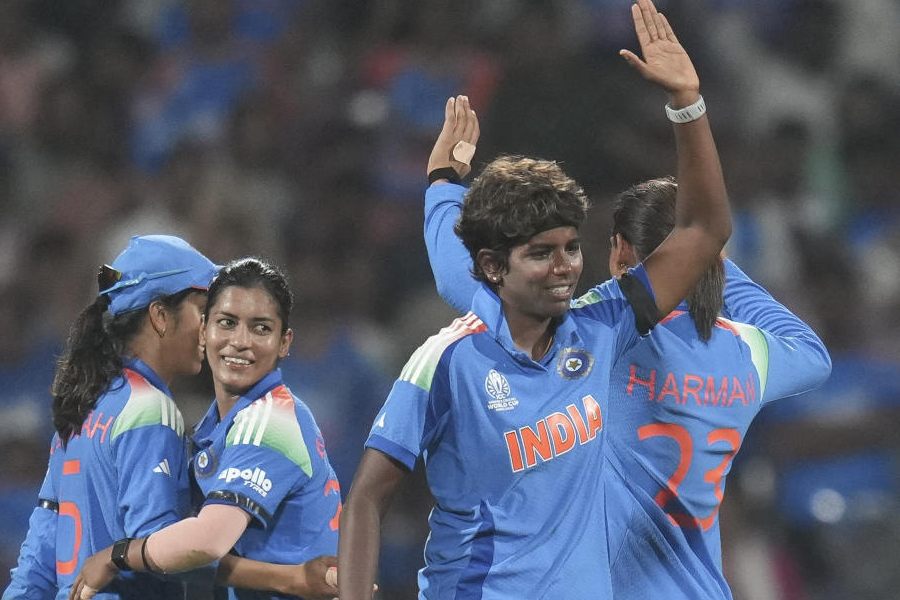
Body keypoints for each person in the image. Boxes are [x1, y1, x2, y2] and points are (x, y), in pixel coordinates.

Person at [337, 1, 732, 598]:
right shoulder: (449, 361)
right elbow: (368, 495)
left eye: (572, 248)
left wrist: (688, 104)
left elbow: (704, 231)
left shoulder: (603, 323)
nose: (567, 267)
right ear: (494, 268)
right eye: (543, 253)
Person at [4, 239, 338, 600]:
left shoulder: (85, 404)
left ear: (284, 341)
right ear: (161, 317)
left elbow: (39, 552)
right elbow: (169, 551)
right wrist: (292, 578)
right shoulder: (150, 409)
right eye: (206, 313)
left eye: (259, 328)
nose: (208, 330)